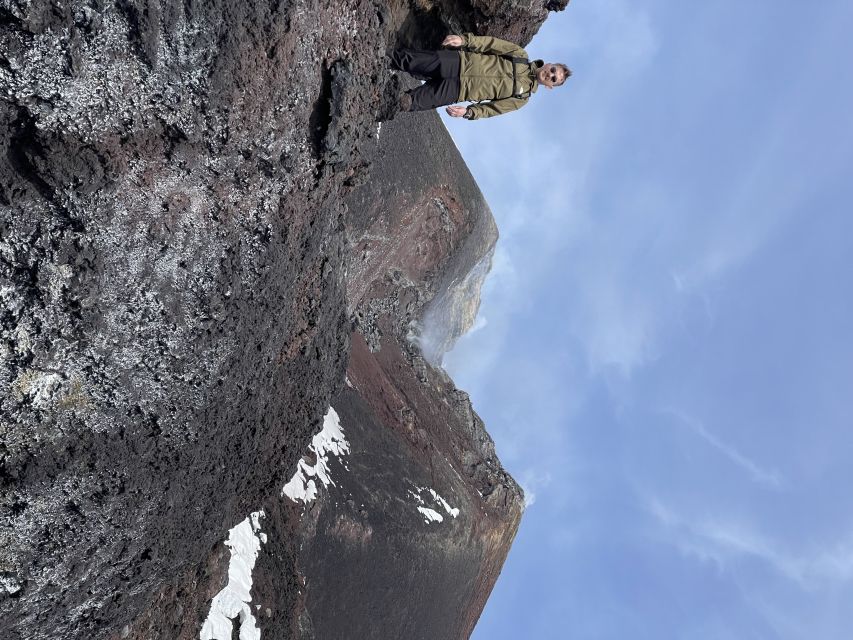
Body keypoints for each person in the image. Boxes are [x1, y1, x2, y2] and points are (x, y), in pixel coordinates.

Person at [389, 34, 570, 120]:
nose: (551, 74)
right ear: (549, 64)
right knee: (407, 60)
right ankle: (374, 55)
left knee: (409, 102)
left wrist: (469, 112)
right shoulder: (520, 55)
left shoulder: (521, 99)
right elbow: (491, 44)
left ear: (550, 86)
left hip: (458, 91)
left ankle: (376, 101)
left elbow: (492, 109)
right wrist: (465, 40)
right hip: (458, 62)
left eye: (554, 79)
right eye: (553, 70)